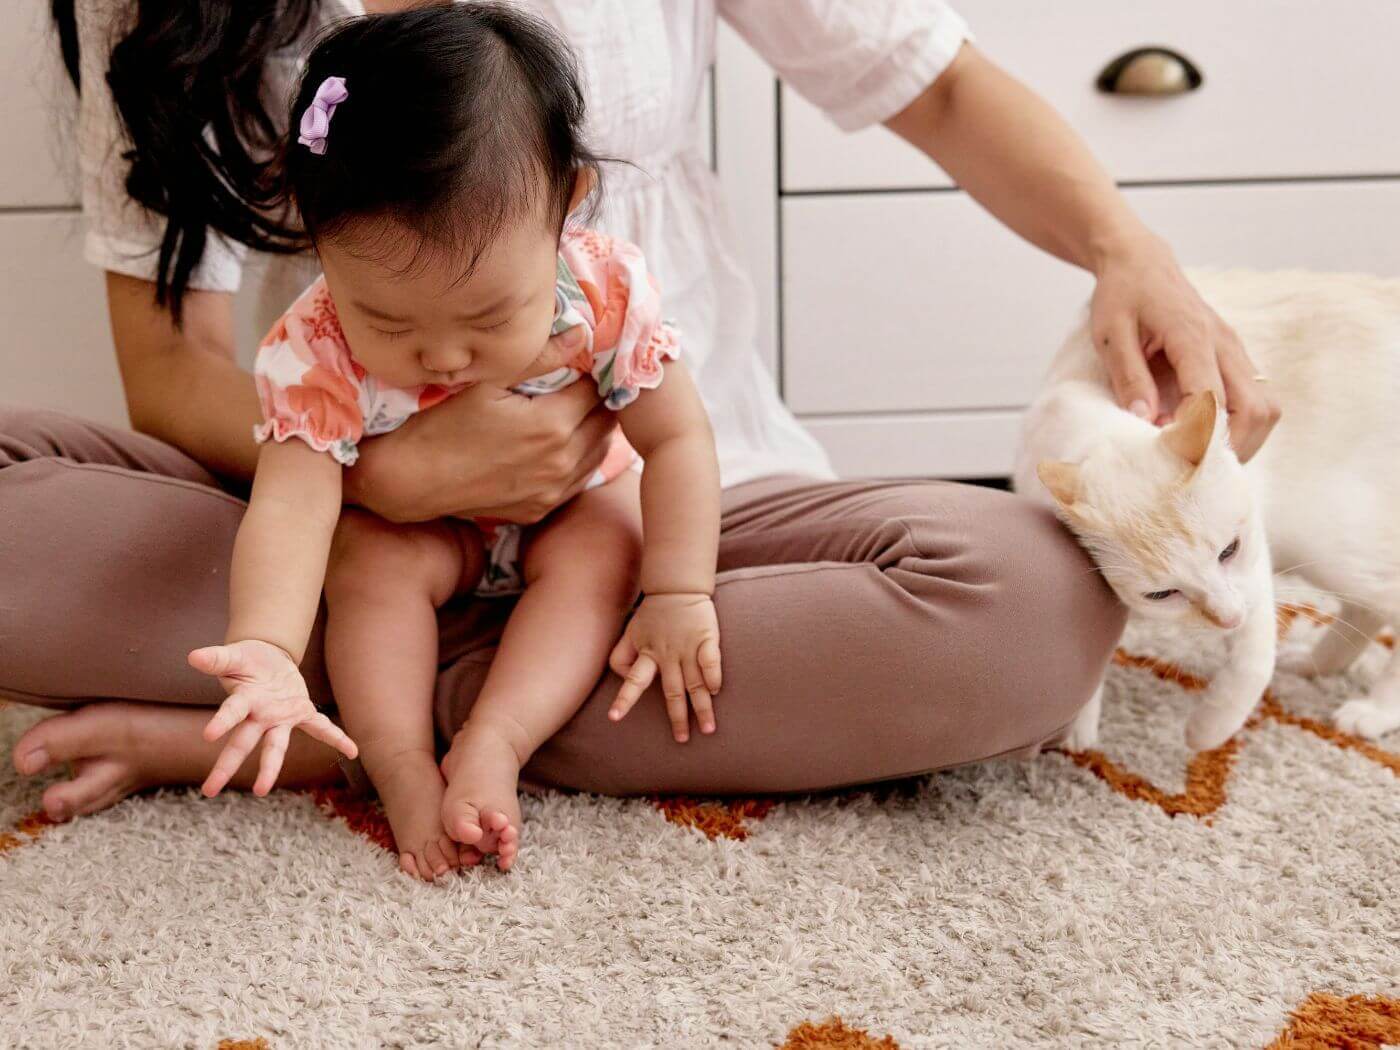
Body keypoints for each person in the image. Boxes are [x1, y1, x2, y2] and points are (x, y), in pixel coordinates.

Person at [4, 1, 1274, 826]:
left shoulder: (604, 302)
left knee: (1032, 606)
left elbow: (929, 87)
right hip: (339, 516)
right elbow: (174, 376)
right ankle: (330, 695)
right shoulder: (309, 324)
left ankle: (360, 728)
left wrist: (1124, 248)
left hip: (669, 521)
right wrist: (385, 476)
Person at [193, 6, 724, 878]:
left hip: (567, 509)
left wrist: (678, 592)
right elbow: (292, 507)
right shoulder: (313, 344)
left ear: (569, 206)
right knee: (366, 564)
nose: (441, 356)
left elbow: (677, 444)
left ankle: (497, 739)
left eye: (488, 316)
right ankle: (397, 761)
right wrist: (267, 647)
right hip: (420, 535)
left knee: (607, 545)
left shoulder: (604, 291)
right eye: (387, 322)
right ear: (318, 243)